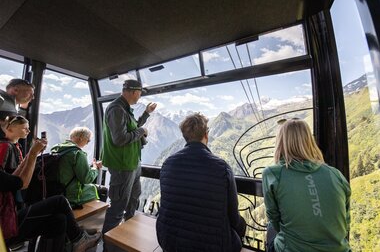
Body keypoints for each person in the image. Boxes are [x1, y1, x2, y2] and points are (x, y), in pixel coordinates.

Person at [0, 115, 101, 252]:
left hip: (12, 212)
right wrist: (33, 154)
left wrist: (32, 153)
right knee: (60, 201)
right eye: (25, 128)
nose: (28, 131)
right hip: (6, 223)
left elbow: (12, 179)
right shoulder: (6, 147)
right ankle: (78, 239)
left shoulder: (58, 148)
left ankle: (77, 240)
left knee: (59, 220)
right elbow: (20, 183)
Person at [156, 113, 246, 252]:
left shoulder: (168, 164)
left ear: (185, 136)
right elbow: (233, 218)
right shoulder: (222, 168)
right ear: (206, 135)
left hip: (169, 241)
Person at [262, 118, 351, 252]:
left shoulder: (272, 173)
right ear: (309, 140)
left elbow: (274, 219)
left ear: (281, 142)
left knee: (270, 229)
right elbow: (346, 222)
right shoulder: (336, 174)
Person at [101, 79, 157, 235]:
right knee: (118, 207)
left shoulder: (124, 109)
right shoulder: (116, 109)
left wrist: (146, 113)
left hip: (132, 164)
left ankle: (127, 235)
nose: (139, 96)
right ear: (133, 92)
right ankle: (108, 244)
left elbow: (133, 127)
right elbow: (119, 139)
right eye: (139, 93)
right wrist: (142, 131)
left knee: (133, 201)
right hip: (122, 166)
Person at [51, 127, 102, 207]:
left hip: (54, 190)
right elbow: (86, 179)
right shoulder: (78, 154)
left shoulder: (56, 148)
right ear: (81, 138)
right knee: (100, 190)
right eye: (88, 140)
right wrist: (95, 168)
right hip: (70, 194)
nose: (88, 143)